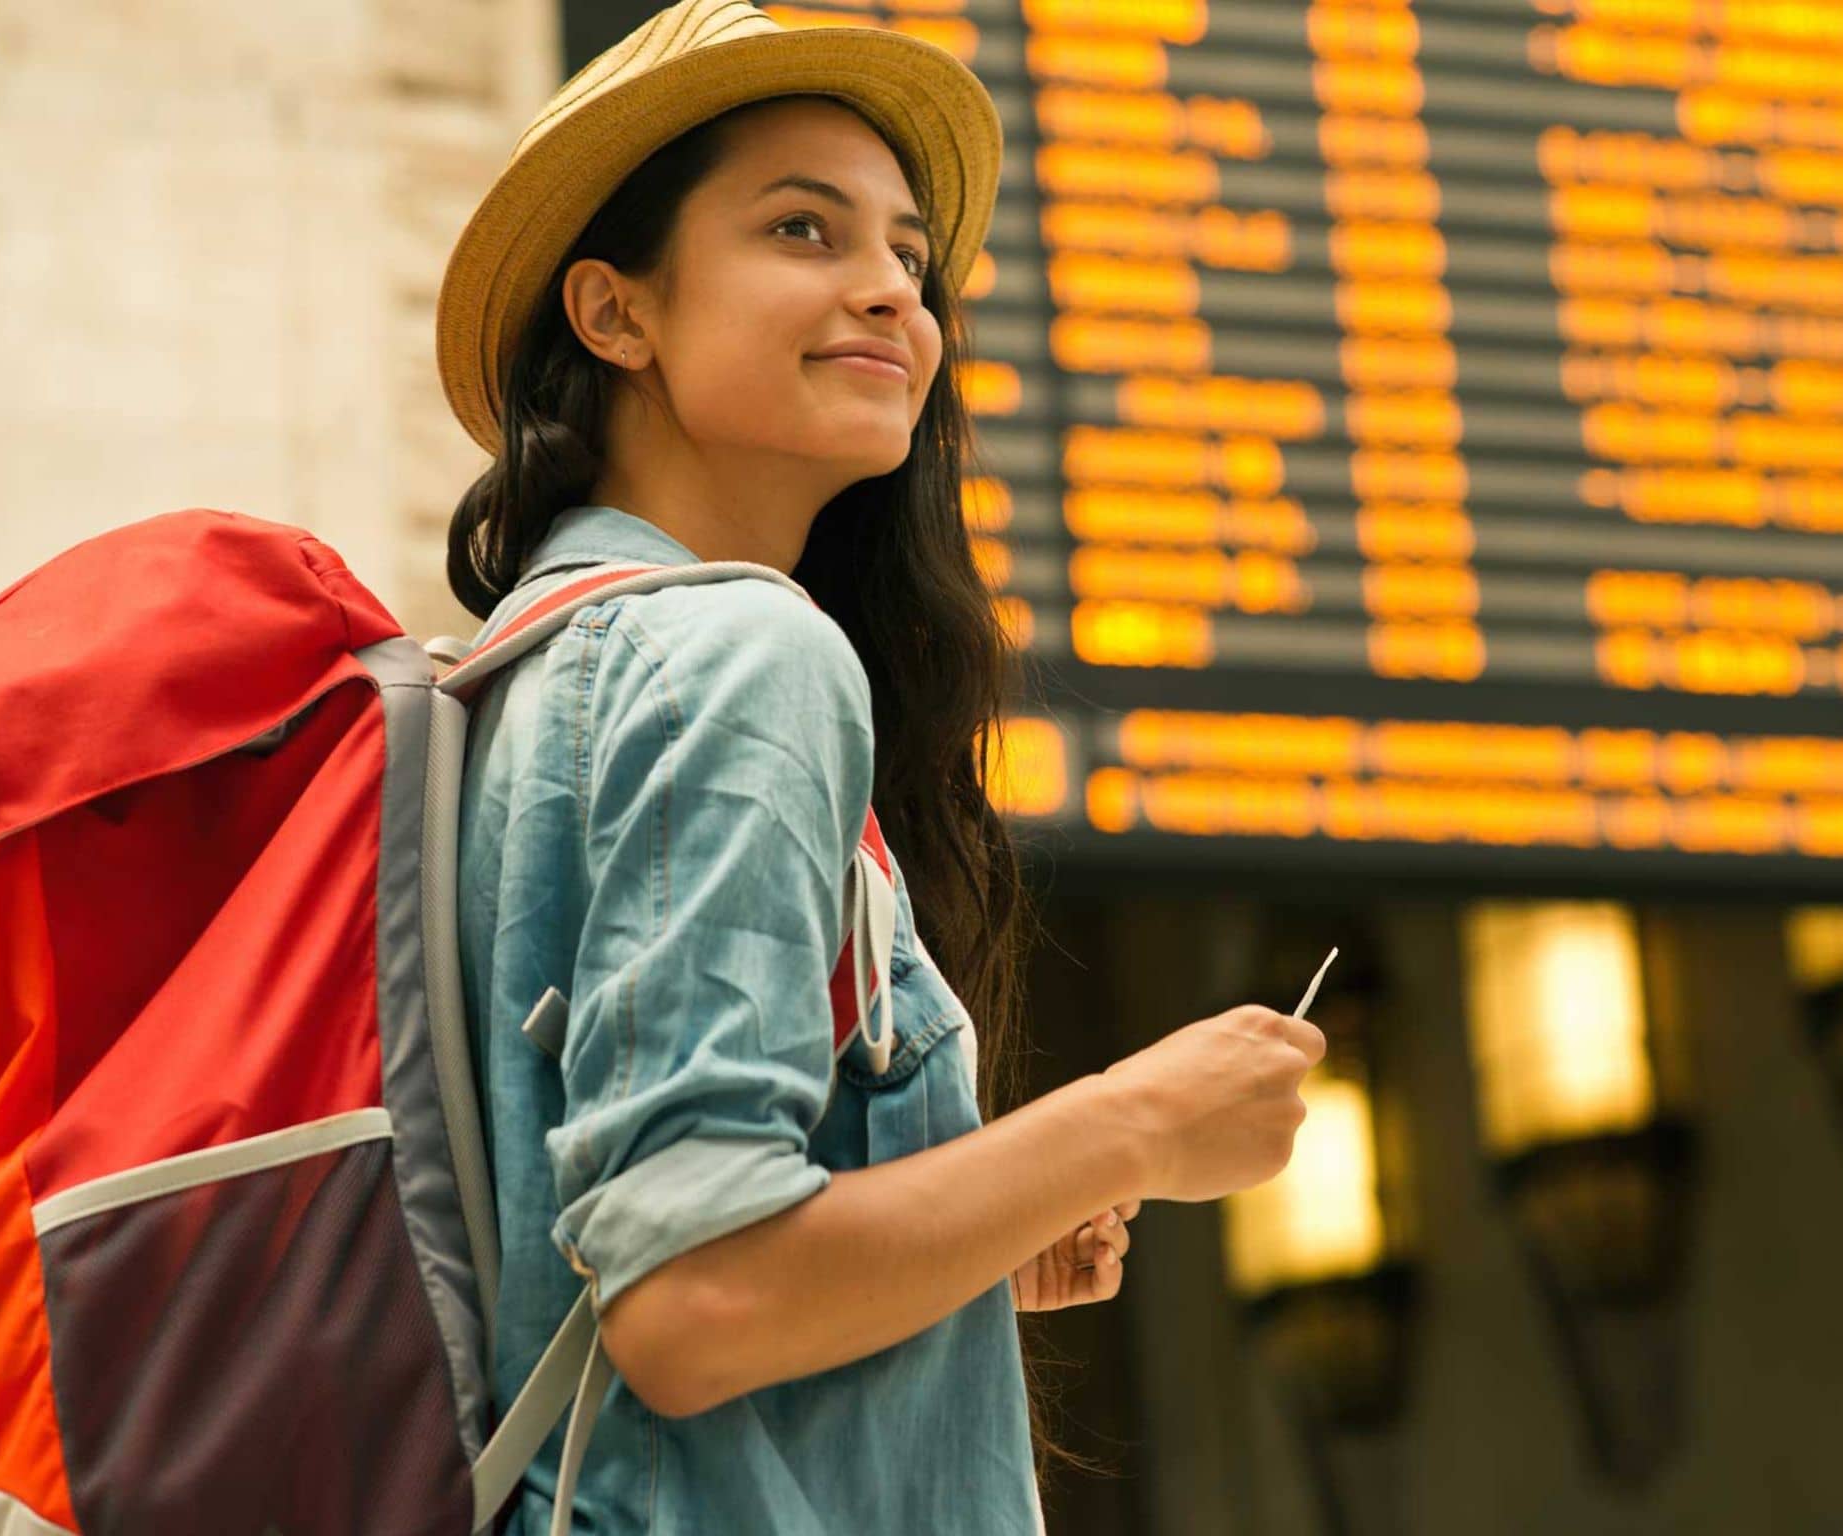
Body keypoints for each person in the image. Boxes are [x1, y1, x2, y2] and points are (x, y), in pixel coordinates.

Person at [437, 2, 1328, 1531]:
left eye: (910, 260)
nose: (891, 300)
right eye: (803, 229)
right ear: (616, 313)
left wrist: (978, 1222)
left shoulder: (516, 678)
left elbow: (608, 1268)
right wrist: (1133, 1124)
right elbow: (694, 1303)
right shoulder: (742, 656)